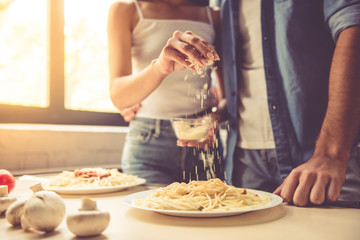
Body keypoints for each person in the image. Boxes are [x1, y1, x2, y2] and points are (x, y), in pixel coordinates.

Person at [119, 0, 360, 207]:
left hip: (304, 154)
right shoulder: (218, 4)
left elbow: (353, 25)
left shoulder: (211, 13)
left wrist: (331, 152)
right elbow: (119, 94)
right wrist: (158, 74)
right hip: (233, 158)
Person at [217, 0, 360, 207]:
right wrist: (219, 110)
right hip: (244, 158)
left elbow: (353, 25)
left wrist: (331, 152)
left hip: (321, 157)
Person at [107, 0, 224, 184]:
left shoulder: (214, 15)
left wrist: (215, 117)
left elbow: (228, 98)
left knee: (214, 208)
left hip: (204, 145)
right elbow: (118, 96)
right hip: (148, 144)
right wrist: (160, 68)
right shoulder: (126, 10)